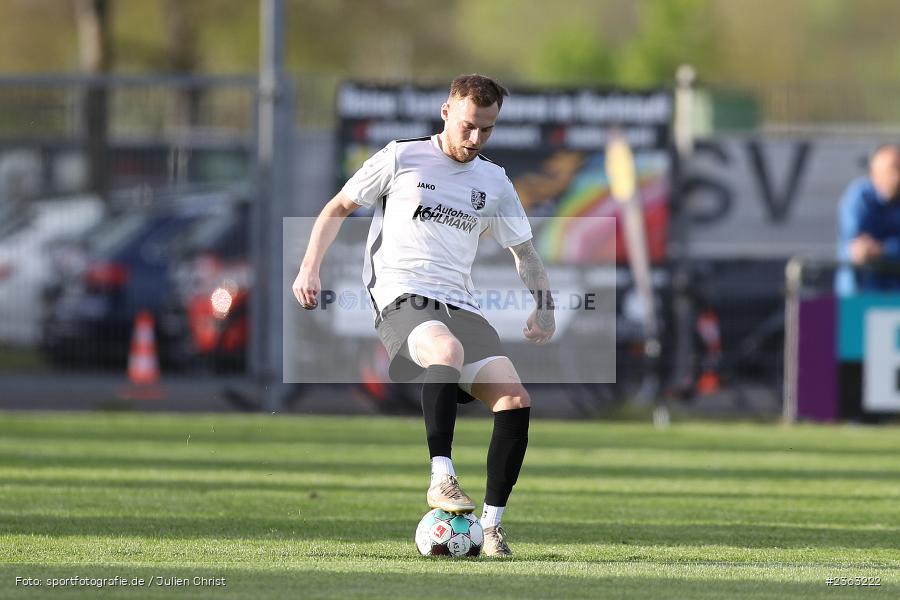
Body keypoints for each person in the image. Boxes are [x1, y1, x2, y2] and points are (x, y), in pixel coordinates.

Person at [292, 74, 555, 557]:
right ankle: (442, 477)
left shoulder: (493, 181)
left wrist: (545, 303)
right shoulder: (401, 156)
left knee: (515, 400)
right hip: (400, 293)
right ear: (446, 113)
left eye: (488, 130)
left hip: (461, 302)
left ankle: (492, 528)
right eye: (469, 126)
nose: (476, 139)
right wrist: (310, 267)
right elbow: (338, 207)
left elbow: (525, 251)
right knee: (446, 350)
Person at [837, 144, 900, 295]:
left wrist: (881, 249)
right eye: (893, 169)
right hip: (860, 297)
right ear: (875, 174)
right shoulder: (858, 198)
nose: (898, 176)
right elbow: (857, 249)